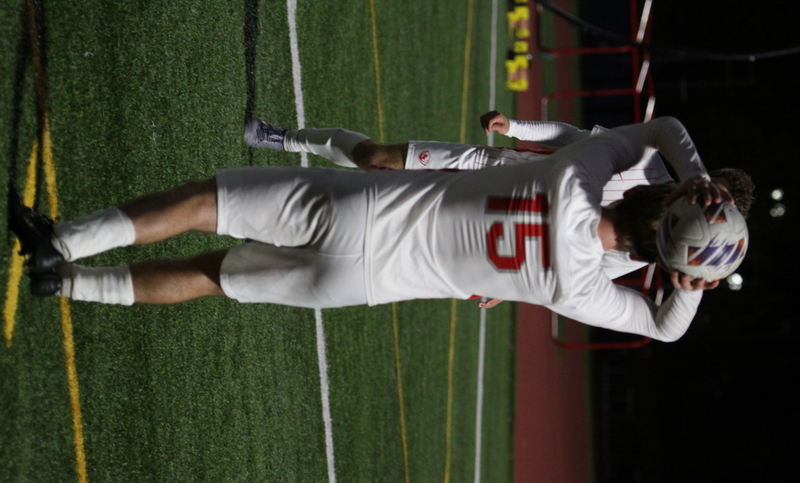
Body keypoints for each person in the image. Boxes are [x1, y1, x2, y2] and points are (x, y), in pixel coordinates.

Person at [9, 117, 733, 342]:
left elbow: (664, 131)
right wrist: (694, 276)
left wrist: (706, 185)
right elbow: (668, 327)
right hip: (358, 283)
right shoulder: (582, 287)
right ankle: (67, 282)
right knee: (209, 276)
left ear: (665, 195)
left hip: (360, 211)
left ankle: (63, 241)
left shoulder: (580, 171)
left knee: (204, 201)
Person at [245, 111, 754, 283]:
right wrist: (517, 128)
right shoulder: (644, 159)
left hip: (490, 220)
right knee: (376, 159)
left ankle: (265, 222)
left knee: (365, 215)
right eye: (711, 197)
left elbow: (570, 268)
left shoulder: (642, 245)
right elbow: (571, 136)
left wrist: (504, 275)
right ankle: (285, 137)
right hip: (490, 169)